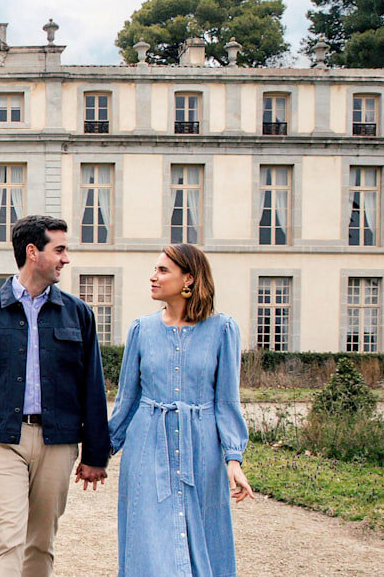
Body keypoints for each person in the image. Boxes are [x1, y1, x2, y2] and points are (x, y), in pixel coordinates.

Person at [0, 215, 109, 577]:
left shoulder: (79, 314)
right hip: (1, 441)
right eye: (60, 249)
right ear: (33, 252)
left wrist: (96, 453)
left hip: (58, 443)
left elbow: (92, 386)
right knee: (7, 540)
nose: (66, 258)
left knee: (40, 543)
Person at [108, 244, 253, 577]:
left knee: (204, 537)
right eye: (155, 269)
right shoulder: (141, 329)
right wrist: (100, 452)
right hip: (147, 448)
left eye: (163, 270)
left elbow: (227, 401)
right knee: (148, 540)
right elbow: (127, 400)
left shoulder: (223, 330)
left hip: (202, 452)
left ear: (188, 279)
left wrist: (233, 459)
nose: (153, 276)